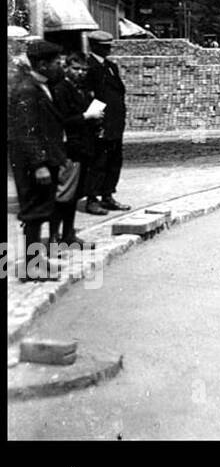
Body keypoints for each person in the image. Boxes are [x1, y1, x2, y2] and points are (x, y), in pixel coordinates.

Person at [8, 40, 67, 281]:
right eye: (56, 63)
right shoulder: (27, 90)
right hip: (34, 165)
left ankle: (37, 259)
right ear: (42, 64)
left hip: (43, 160)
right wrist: (40, 164)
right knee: (34, 211)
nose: (59, 66)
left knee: (42, 209)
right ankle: (32, 266)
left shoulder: (41, 86)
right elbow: (26, 131)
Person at [50, 51, 101, 253]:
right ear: (67, 68)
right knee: (63, 194)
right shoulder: (61, 90)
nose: (80, 73)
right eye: (76, 69)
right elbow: (62, 120)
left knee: (74, 195)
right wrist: (86, 116)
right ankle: (54, 236)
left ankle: (68, 234)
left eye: (83, 69)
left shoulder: (82, 89)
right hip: (68, 148)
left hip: (83, 147)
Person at [84, 29, 131, 215]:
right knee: (98, 161)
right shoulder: (89, 66)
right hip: (100, 122)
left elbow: (118, 92)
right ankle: (92, 198)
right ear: (94, 46)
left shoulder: (111, 66)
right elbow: (90, 96)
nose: (108, 50)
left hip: (115, 122)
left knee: (114, 160)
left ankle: (108, 194)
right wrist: (96, 122)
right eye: (104, 47)